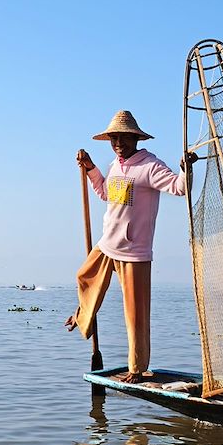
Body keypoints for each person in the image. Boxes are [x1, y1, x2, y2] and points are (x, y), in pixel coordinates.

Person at [65, 110, 197, 383]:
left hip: (134, 252)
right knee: (84, 276)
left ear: (135, 139)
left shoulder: (149, 166)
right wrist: (90, 168)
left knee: (135, 315)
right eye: (114, 139)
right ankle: (83, 314)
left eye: (124, 139)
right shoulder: (115, 166)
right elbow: (105, 194)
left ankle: (136, 369)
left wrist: (186, 168)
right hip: (107, 242)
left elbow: (179, 187)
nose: (118, 144)